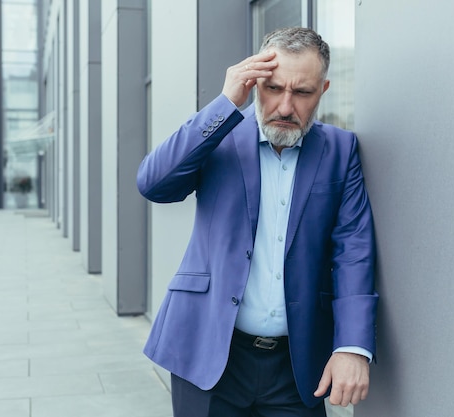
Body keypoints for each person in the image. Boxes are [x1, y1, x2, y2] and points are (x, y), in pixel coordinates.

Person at [137, 27, 378, 417]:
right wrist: (224, 104)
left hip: (296, 363)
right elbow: (154, 185)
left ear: (324, 89)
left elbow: (353, 249)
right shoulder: (219, 134)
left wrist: (352, 345)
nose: (285, 107)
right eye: (273, 88)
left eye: (302, 93)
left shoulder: (340, 150)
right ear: (253, 83)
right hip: (209, 352)